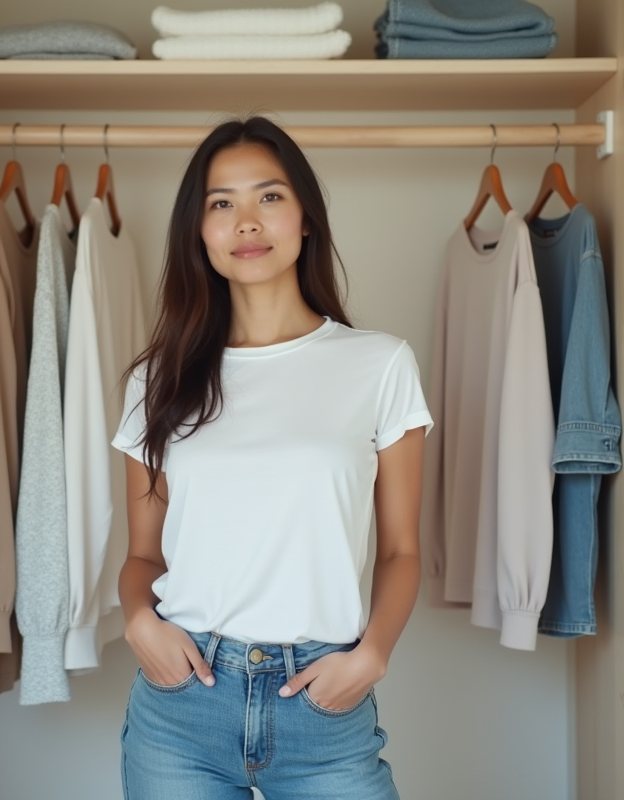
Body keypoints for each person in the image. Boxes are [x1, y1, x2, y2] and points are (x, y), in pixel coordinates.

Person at [112, 116, 432, 800]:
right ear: (199, 233)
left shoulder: (379, 364)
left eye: (270, 196)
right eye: (221, 204)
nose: (246, 222)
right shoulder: (156, 381)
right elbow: (143, 557)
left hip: (322, 703)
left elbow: (403, 549)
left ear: (306, 217)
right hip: (182, 705)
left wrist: (372, 655)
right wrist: (138, 620)